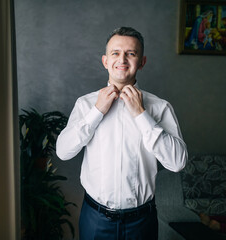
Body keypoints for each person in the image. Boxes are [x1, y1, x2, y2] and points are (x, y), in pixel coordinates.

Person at [56, 27, 188, 239]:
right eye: (115, 53)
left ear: (142, 62)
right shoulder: (85, 104)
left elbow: (178, 162)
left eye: (131, 53)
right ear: (105, 61)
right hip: (95, 219)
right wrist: (96, 112)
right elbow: (63, 152)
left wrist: (141, 115)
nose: (122, 59)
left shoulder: (160, 107)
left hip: (141, 221)